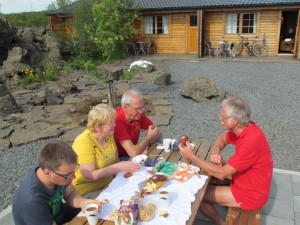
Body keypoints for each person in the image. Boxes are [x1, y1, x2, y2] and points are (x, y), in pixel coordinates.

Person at [179, 97, 273, 225]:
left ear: (234, 120)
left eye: (222, 117)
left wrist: (191, 156)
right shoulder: (244, 128)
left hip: (250, 194)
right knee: (207, 177)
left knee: (196, 195)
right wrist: (215, 152)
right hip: (245, 181)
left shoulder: (251, 141)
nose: (220, 120)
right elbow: (220, 140)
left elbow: (221, 173)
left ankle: (220, 223)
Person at [12, 139, 101, 225]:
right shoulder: (32, 203)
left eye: (74, 170)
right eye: (68, 175)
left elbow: (70, 193)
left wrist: (83, 202)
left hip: (64, 216)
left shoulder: (50, 167)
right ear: (47, 173)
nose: (74, 177)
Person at [72, 104, 140, 196]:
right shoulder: (83, 142)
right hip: (89, 191)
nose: (115, 125)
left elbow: (115, 161)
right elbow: (90, 176)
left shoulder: (108, 135)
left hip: (109, 185)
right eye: (111, 123)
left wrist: (123, 182)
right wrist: (119, 166)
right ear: (97, 127)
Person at [114, 89, 162, 158]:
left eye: (142, 108)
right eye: (137, 109)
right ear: (125, 106)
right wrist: (148, 139)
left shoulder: (137, 115)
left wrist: (143, 146)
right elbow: (133, 153)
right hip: (118, 159)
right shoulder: (117, 121)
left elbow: (158, 132)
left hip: (131, 155)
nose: (141, 112)